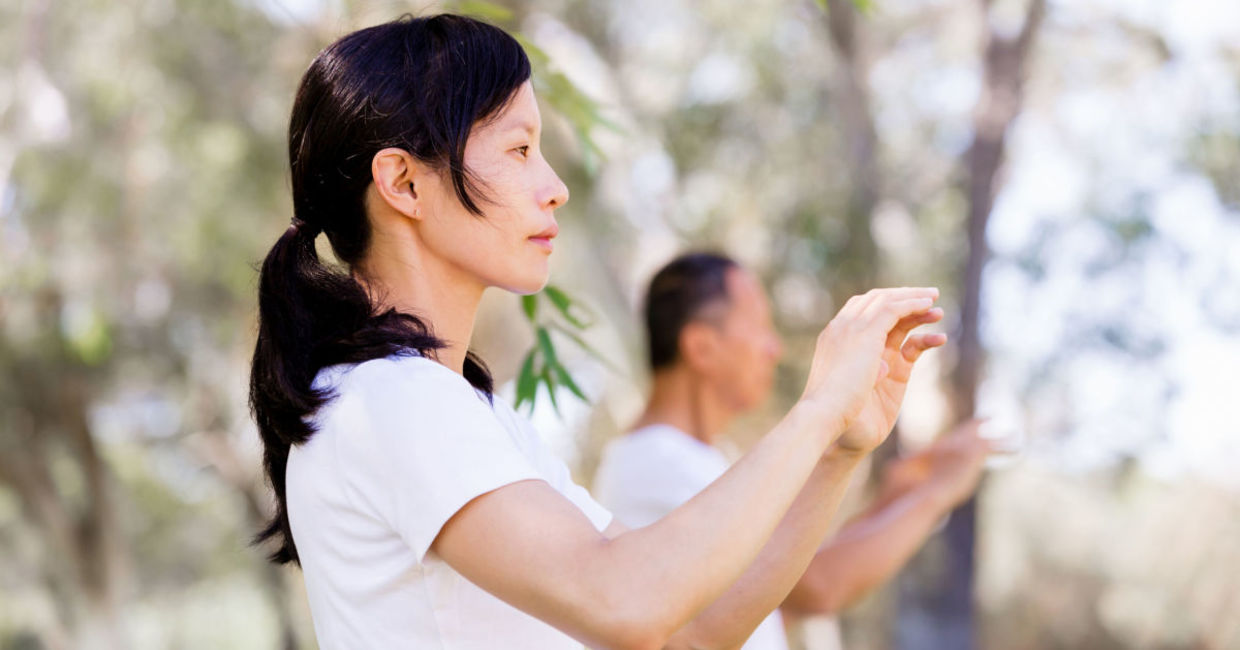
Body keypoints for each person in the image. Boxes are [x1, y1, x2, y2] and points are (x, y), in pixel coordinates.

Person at [248, 14, 946, 649]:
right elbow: (627, 603)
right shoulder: (392, 399)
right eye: (519, 149)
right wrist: (815, 408)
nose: (554, 186)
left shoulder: (463, 411)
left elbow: (688, 631)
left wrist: (837, 446)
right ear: (403, 183)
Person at [592, 253, 991, 649]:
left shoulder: (697, 460)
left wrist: (894, 496)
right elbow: (814, 586)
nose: (774, 349)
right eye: (761, 327)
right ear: (701, 347)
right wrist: (938, 492)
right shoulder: (657, 463)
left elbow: (777, 575)